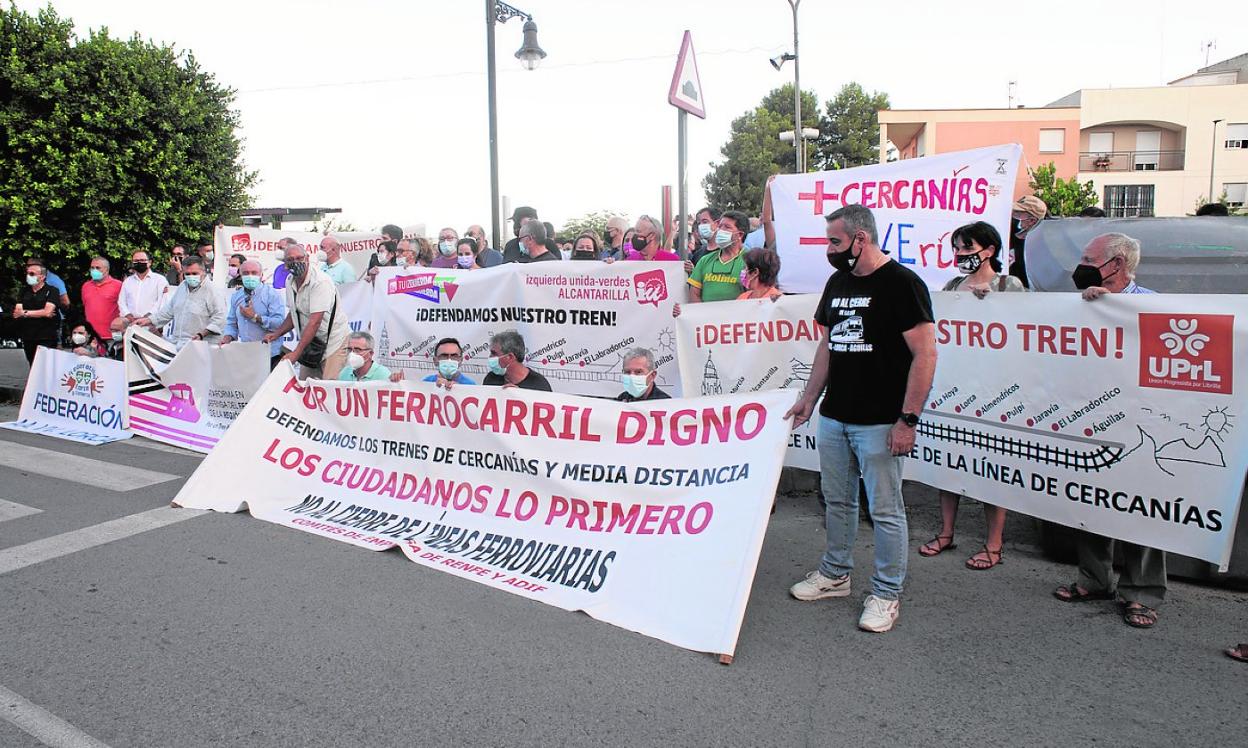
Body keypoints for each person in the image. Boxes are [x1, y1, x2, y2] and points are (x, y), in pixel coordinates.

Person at [784, 204, 937, 634]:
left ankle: (886, 593)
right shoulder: (838, 282)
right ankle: (835, 574)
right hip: (835, 416)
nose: (829, 250)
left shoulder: (903, 283)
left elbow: (925, 354)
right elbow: (828, 345)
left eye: (835, 242)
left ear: (861, 239)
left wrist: (907, 420)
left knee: (885, 510)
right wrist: (809, 399)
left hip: (881, 421)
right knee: (837, 500)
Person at [1054, 233, 1163, 628]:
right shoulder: (1080, 305)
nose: (1081, 266)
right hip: (1091, 417)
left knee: (1142, 506)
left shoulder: (1153, 303)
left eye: (1089, 259)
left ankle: (1141, 592)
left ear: (1116, 263)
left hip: (1138, 420)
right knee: (1091, 498)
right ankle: (1094, 579)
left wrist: (1114, 310)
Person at [918, 222, 1025, 569]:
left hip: (995, 391)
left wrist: (991, 304)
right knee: (949, 464)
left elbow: (1025, 329)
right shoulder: (952, 287)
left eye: (967, 248)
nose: (961, 254)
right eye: (957, 248)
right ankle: (946, 532)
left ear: (989, 250)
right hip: (955, 387)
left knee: (993, 469)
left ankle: (994, 544)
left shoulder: (1009, 286)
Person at [264, 242, 350, 380]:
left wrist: (296, 353)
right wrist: (277, 333)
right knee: (306, 386)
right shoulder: (290, 280)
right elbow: (294, 313)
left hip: (334, 343)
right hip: (312, 344)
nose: (295, 262)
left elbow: (315, 322)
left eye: (299, 258)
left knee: (330, 387)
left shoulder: (320, 282)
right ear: (285, 263)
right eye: (290, 259)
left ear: (307, 258)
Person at [133, 256, 225, 348]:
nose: (191, 276)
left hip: (203, 346)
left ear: (203, 272)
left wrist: (202, 334)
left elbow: (220, 318)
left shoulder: (213, 291)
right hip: (178, 344)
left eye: (194, 273)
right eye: (187, 274)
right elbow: (169, 310)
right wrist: (148, 320)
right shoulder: (182, 287)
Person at [220, 259, 289, 369]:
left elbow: (279, 324)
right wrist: (228, 337)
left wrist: (255, 317)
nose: (250, 276)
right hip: (246, 353)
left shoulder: (272, 295)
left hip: (269, 354)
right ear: (240, 275)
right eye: (246, 273)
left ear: (261, 275)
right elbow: (232, 323)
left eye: (254, 273)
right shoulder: (236, 296)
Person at [687, 210, 749, 303]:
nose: (720, 230)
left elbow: (755, 294)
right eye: (720, 226)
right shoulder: (705, 260)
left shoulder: (750, 260)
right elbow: (694, 293)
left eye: (727, 227)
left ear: (740, 234)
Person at [14, 262, 61, 365]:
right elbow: (17, 312)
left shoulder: (52, 291)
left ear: (42, 277)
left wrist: (25, 313)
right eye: (27, 273)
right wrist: (40, 312)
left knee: (45, 365)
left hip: (46, 336)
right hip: (28, 336)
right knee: (33, 364)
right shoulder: (24, 291)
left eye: (32, 274)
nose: (28, 276)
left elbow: (47, 312)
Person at [483, 330, 552, 391]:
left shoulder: (539, 384)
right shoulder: (491, 378)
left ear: (510, 357)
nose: (490, 357)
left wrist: (519, 395)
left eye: (494, 353)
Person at [119, 250, 170, 322]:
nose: (139, 263)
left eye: (142, 260)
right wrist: (128, 315)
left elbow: (162, 302)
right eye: (136, 261)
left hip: (152, 321)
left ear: (149, 262)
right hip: (130, 321)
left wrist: (148, 317)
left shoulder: (160, 280)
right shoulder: (127, 281)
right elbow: (121, 301)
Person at [1008, 195, 1047, 288]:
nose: (1013, 214)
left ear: (1032, 220)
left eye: (1018, 213)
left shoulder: (1043, 244)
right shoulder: (1011, 235)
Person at [81, 256, 122, 343]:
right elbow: (86, 306)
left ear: (106, 270)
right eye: (92, 268)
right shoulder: (86, 286)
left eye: (98, 268)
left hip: (112, 337)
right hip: (91, 338)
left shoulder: (119, 286)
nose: (94, 270)